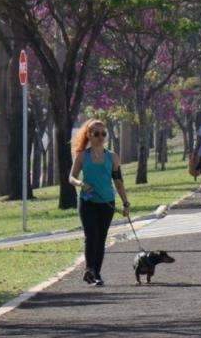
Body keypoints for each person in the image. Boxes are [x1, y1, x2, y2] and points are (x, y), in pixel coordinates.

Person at [69, 119, 130, 286]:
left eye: (103, 133)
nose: (100, 137)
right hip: (87, 202)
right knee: (91, 236)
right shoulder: (82, 156)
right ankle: (90, 270)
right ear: (89, 135)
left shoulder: (113, 157)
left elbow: (118, 181)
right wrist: (81, 184)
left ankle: (96, 272)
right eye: (96, 133)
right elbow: (71, 177)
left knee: (101, 238)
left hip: (107, 203)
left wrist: (125, 202)